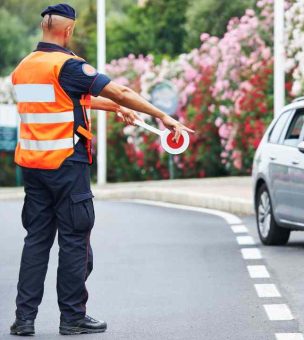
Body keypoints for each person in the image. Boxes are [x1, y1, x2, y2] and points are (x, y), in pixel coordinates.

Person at [9, 3, 194, 336]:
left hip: (34, 167)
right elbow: (118, 89)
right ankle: (72, 318)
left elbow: (68, 99)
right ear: (68, 30)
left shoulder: (24, 68)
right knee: (74, 240)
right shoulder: (68, 65)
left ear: (44, 28)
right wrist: (162, 117)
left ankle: (24, 320)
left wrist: (115, 107)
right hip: (67, 165)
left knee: (35, 242)